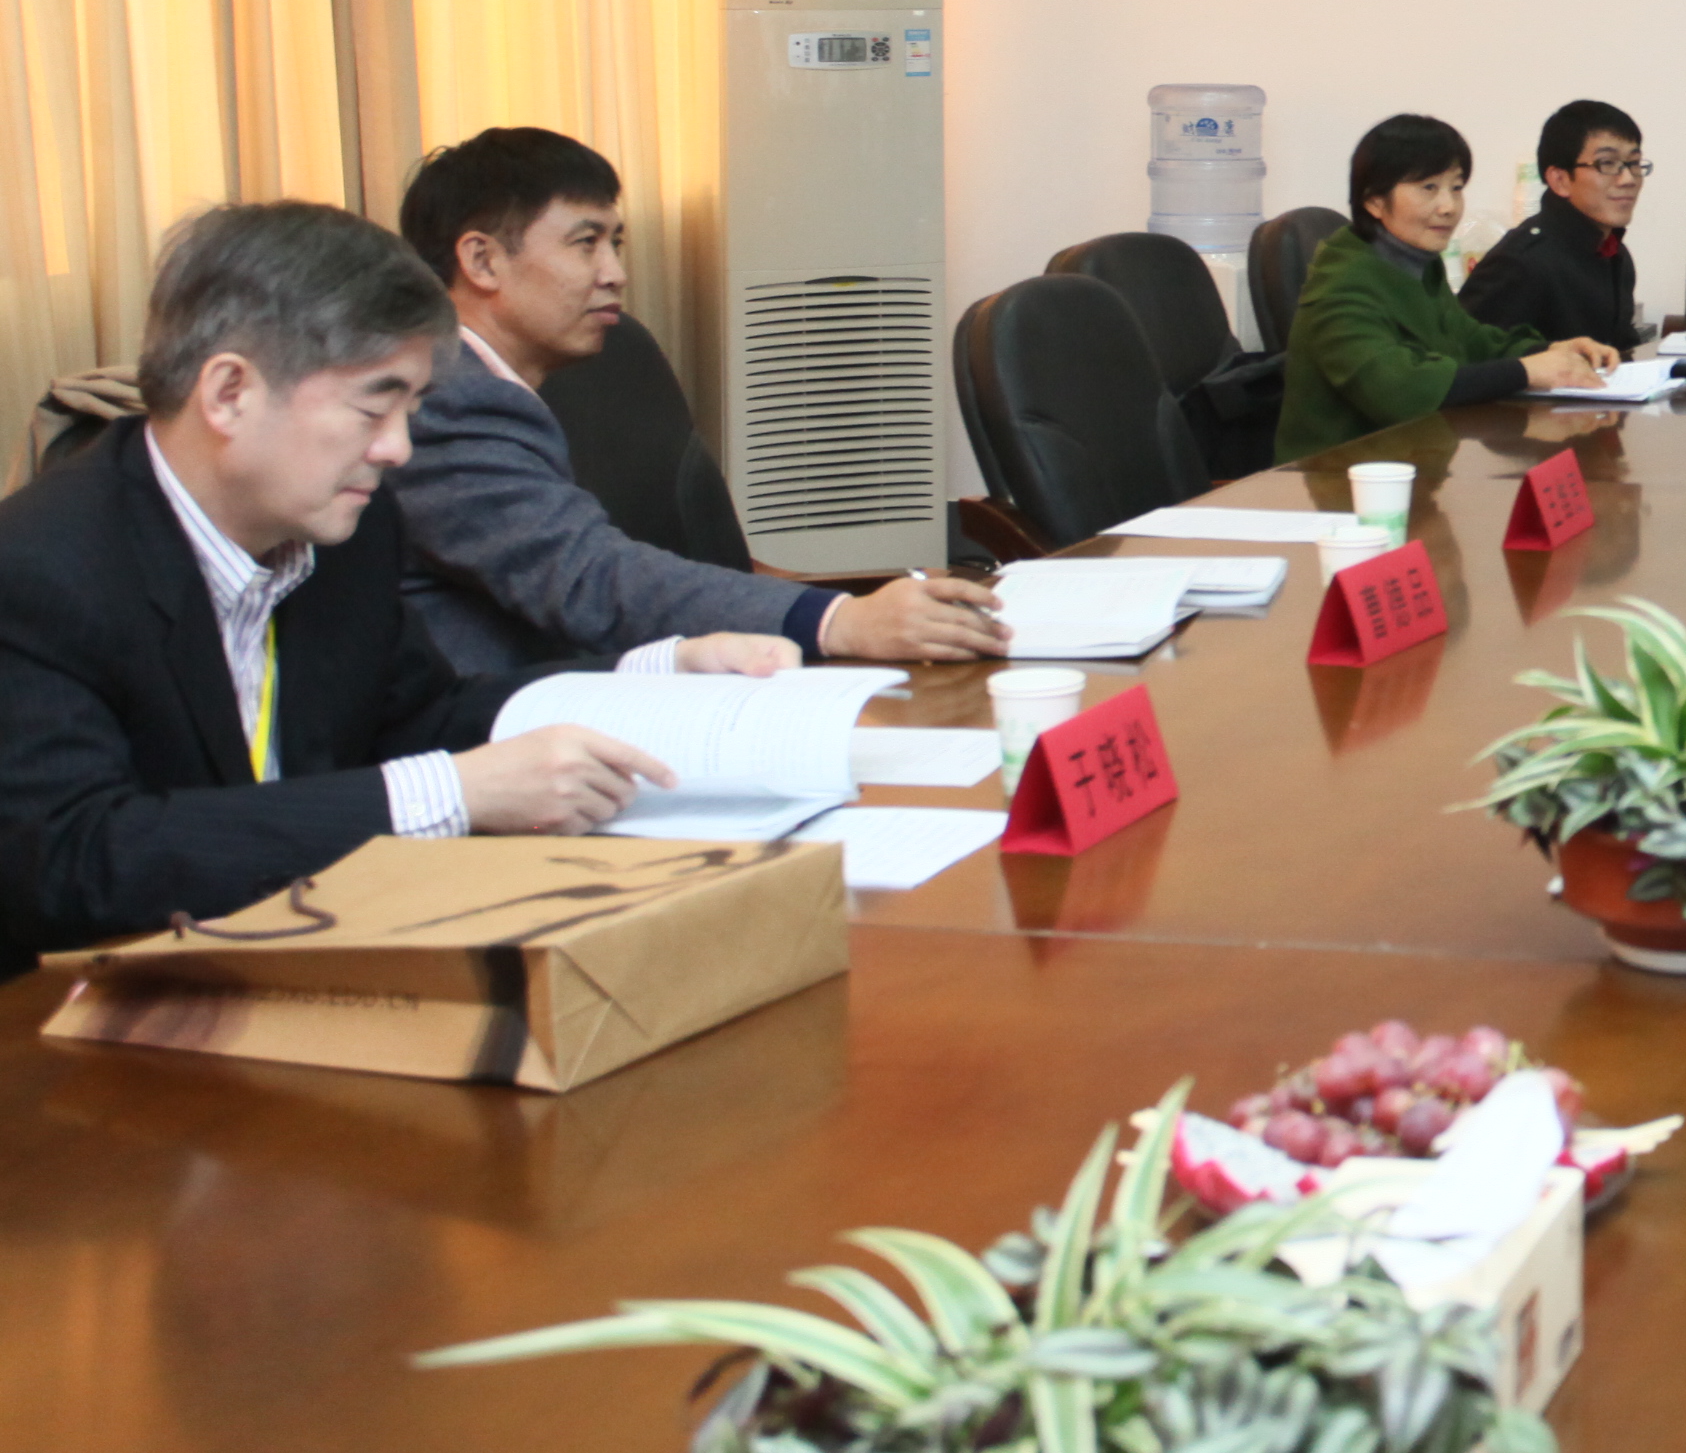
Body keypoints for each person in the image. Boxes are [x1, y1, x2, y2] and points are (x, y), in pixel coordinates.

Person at [0, 202, 798, 974]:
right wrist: (451, 793)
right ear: (230, 393)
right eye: (373, 409)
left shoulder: (347, 527)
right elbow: (75, 862)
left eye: (412, 410)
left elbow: (420, 717)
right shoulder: (37, 570)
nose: (398, 450)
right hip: (83, 1007)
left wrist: (656, 674)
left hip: (312, 951)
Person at [389, 127, 1005, 677]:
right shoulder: (442, 401)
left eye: (615, 243)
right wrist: (838, 621)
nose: (614, 273)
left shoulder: (492, 384)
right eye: (585, 243)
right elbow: (586, 578)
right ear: (482, 260)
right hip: (504, 734)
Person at [1281, 114, 1624, 456]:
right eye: (1428, 188)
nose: (1449, 207)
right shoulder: (1343, 283)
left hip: (1410, 461)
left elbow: (1469, 340)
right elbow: (1398, 390)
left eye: (1456, 188)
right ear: (1375, 201)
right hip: (1336, 475)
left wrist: (1551, 351)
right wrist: (1525, 372)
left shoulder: (1415, 263)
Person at [1462, 100, 1653, 350]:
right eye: (1607, 163)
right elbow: (1470, 358)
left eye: (1634, 163)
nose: (1628, 179)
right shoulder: (1521, 262)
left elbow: (1620, 352)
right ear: (1560, 180)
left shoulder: (1614, 254)